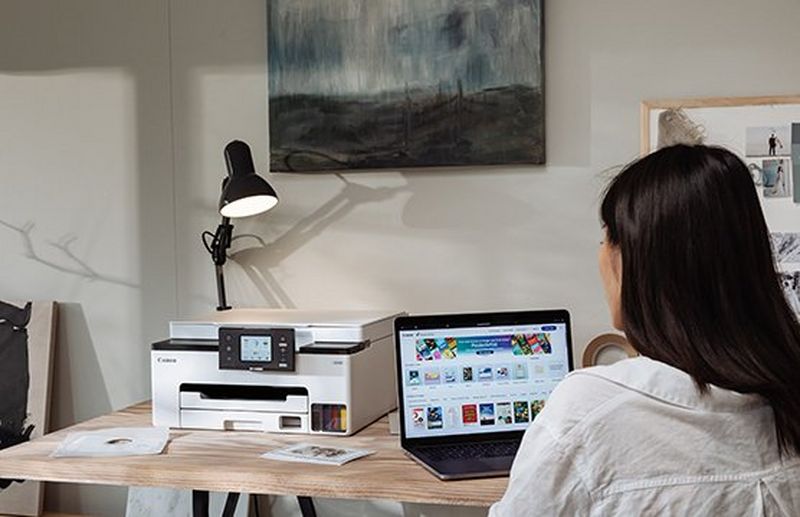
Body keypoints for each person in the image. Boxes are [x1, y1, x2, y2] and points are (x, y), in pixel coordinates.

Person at [490, 145, 800, 516]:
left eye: (606, 238)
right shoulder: (787, 390)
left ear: (637, 261)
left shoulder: (587, 413)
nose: (601, 254)